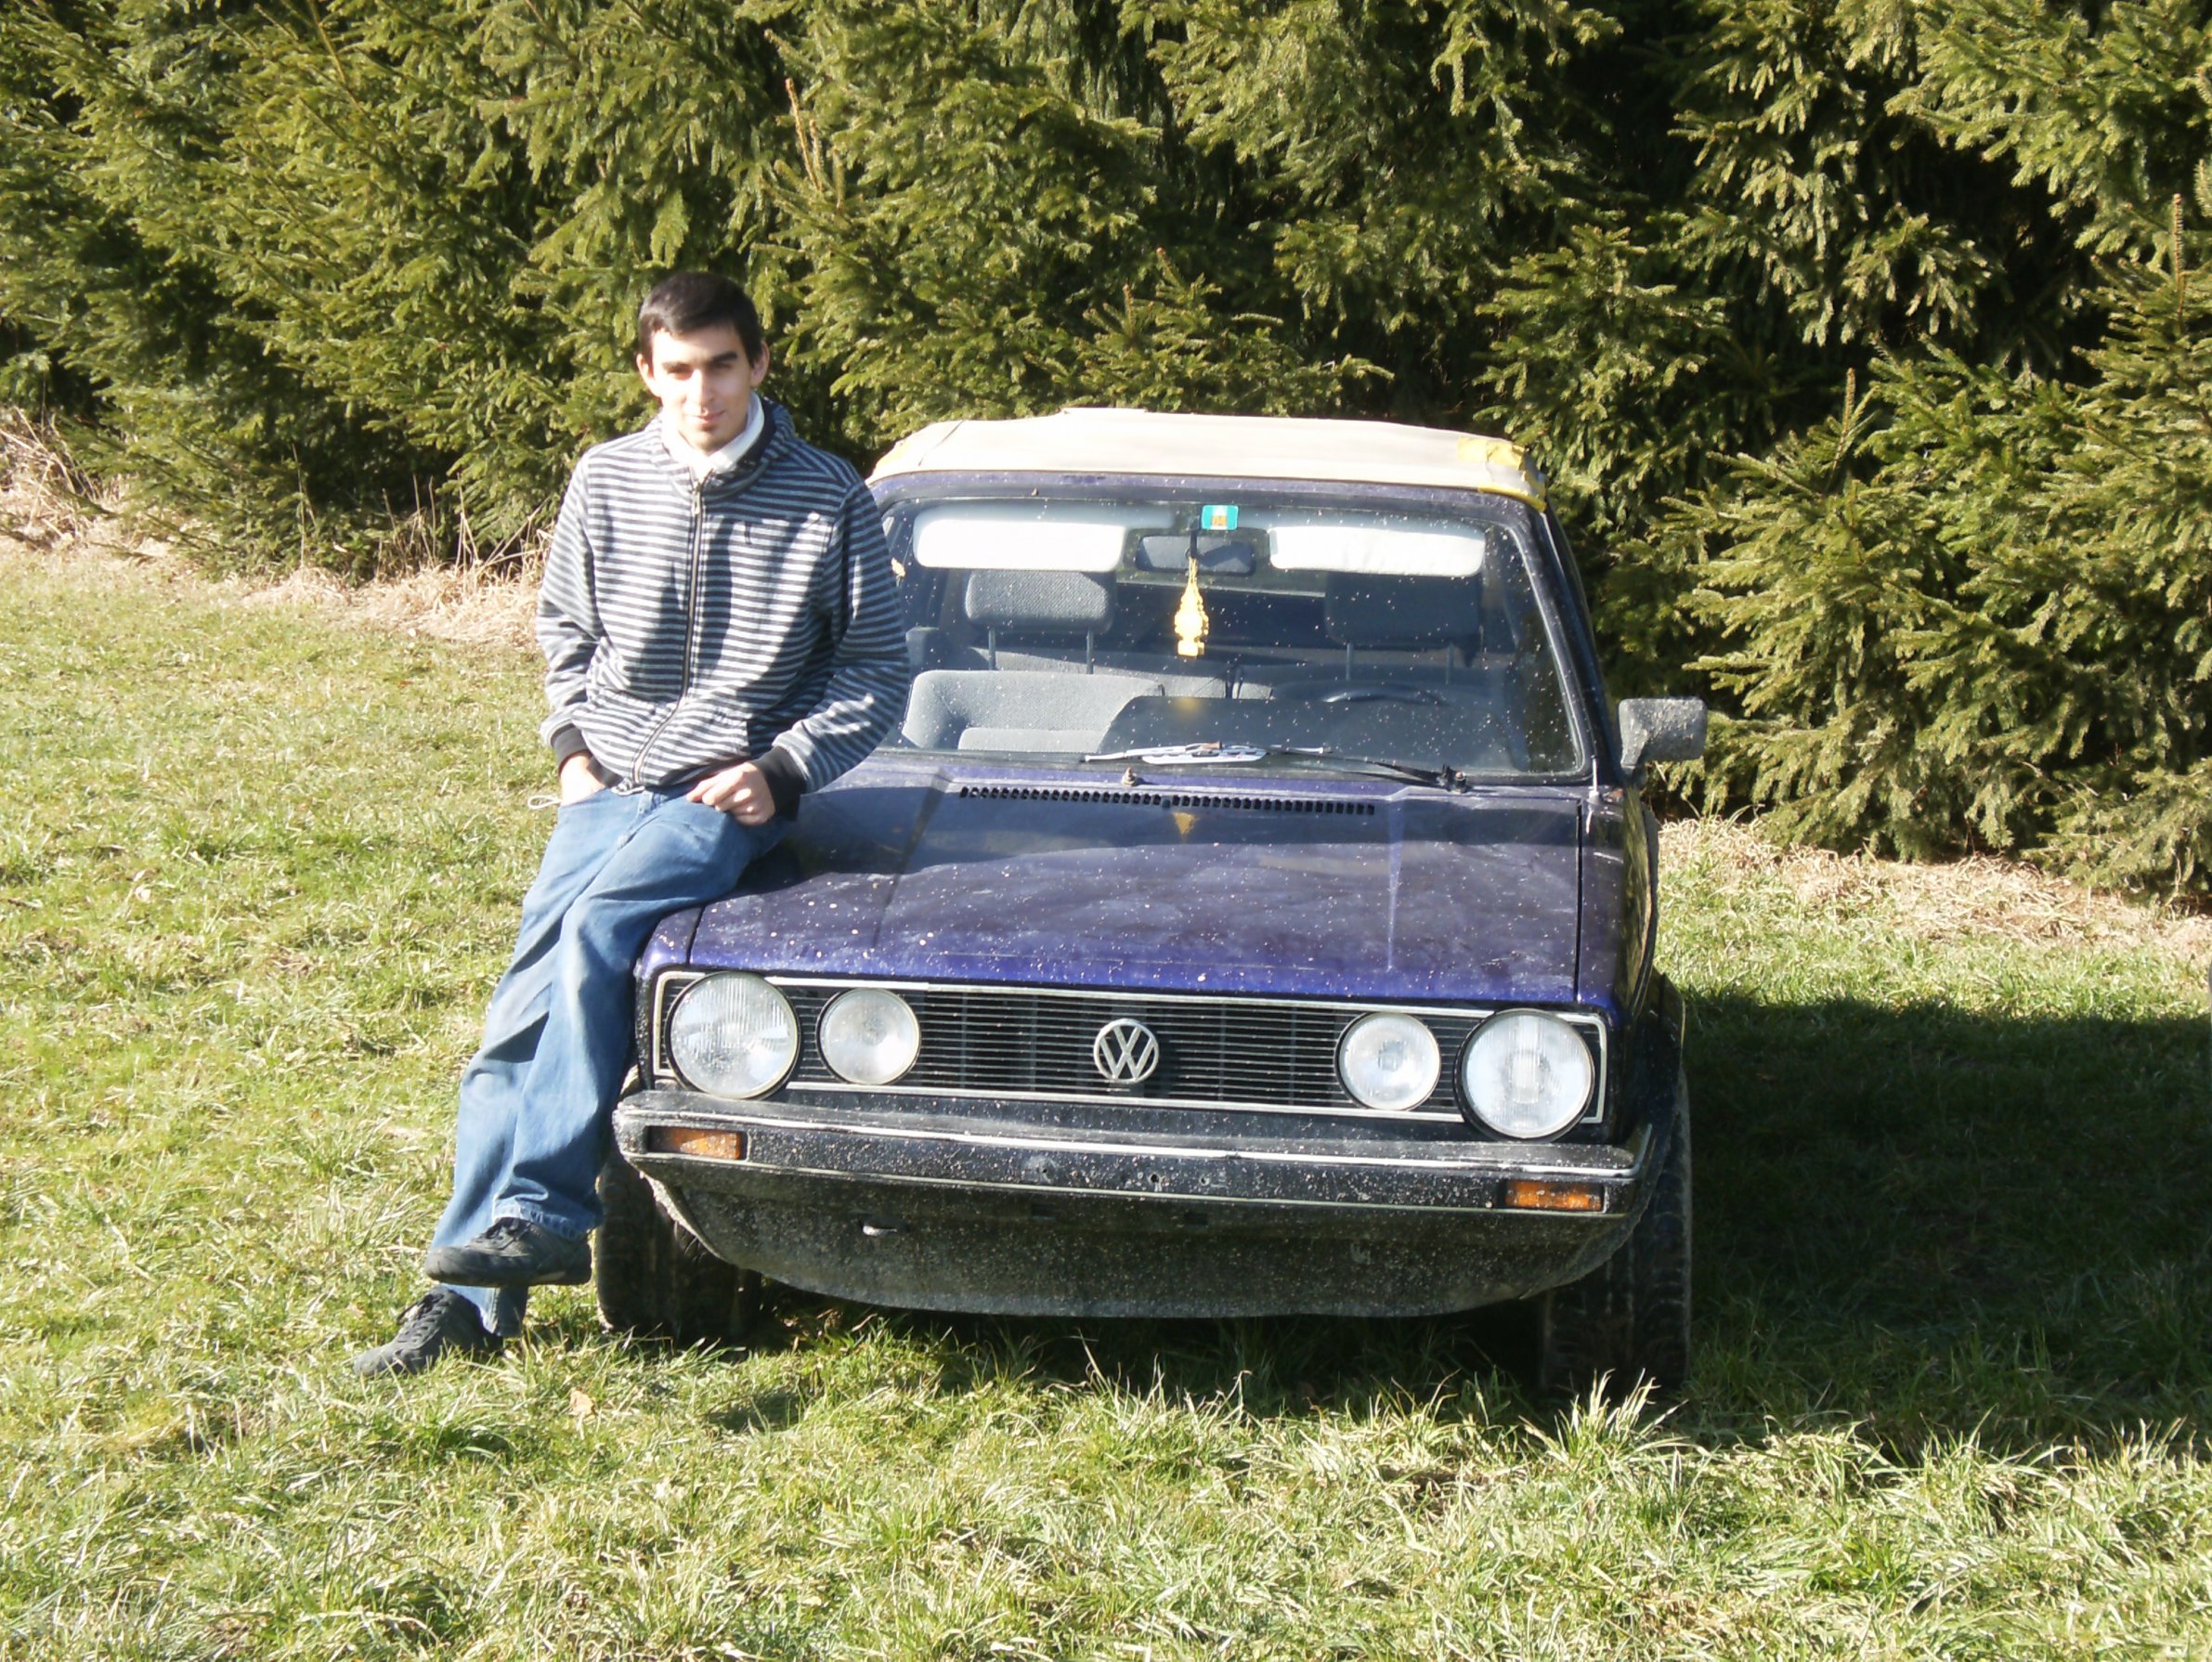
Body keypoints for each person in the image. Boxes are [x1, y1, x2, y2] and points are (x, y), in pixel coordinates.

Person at [354, 272, 910, 1376]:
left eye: (722, 365)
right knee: (514, 1022)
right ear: (647, 372)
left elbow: (877, 670)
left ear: (758, 364)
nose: (703, 392)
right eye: (679, 370)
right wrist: (572, 750)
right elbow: (564, 630)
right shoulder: (604, 478)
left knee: (603, 924)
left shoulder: (828, 496)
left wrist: (782, 769)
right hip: (605, 785)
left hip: (721, 793)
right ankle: (464, 1304)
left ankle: (548, 1211)